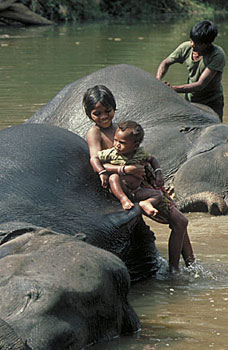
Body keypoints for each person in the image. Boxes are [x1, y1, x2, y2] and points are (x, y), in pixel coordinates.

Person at [83, 85, 195, 273]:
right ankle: (175, 271)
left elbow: (143, 155)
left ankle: (190, 265)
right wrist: (125, 169)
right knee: (180, 221)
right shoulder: (95, 133)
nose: (103, 117)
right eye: (97, 113)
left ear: (114, 108)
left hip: (143, 183)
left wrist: (155, 174)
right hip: (123, 186)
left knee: (181, 222)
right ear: (89, 114)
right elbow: (97, 161)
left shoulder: (121, 129)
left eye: (107, 111)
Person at [156, 20, 226, 121]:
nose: (192, 44)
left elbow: (200, 84)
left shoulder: (217, 55)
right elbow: (165, 63)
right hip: (190, 100)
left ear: (207, 44)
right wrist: (158, 80)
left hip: (212, 102)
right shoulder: (186, 47)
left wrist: (172, 89)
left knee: (214, 131)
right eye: (191, 40)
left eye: (197, 43)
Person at [93, 120, 164, 218]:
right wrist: (102, 172)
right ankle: (123, 199)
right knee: (113, 178)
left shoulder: (140, 153)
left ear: (135, 145)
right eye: (115, 140)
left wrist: (158, 173)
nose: (117, 144)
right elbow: (95, 158)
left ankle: (146, 203)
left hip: (137, 190)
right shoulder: (112, 153)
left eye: (122, 142)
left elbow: (152, 159)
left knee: (158, 195)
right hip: (122, 188)